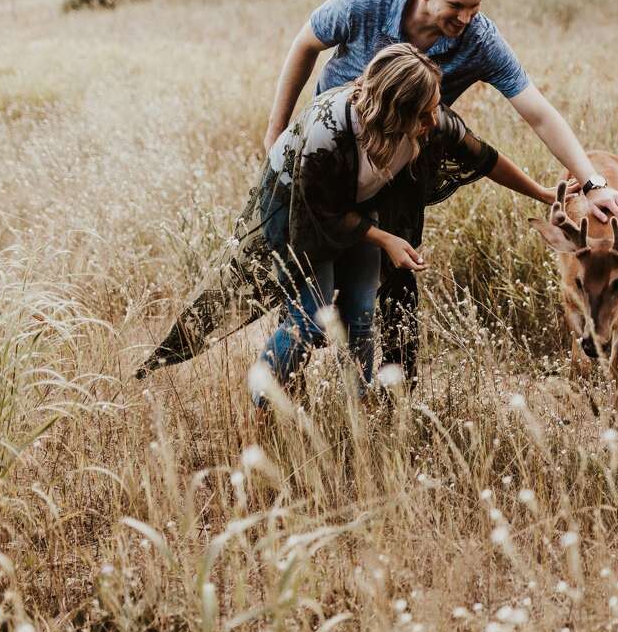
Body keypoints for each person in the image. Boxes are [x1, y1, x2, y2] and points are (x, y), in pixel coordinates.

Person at [262, 0, 618, 380]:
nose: (467, 18)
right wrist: (276, 131)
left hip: (398, 168)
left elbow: (531, 118)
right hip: (327, 167)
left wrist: (591, 184)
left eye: (476, 6)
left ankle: (389, 392)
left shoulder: (475, 46)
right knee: (312, 295)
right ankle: (280, 379)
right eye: (456, 5)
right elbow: (305, 45)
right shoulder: (365, 2)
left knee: (386, 285)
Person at [134, 42, 557, 401]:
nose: (434, 121)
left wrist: (543, 193)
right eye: (424, 114)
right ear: (393, 112)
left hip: (355, 210)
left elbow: (484, 157)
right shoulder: (329, 132)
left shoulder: (428, 121)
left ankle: (358, 408)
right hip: (297, 212)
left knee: (361, 313)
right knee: (310, 318)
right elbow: (320, 215)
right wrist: (385, 239)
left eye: (434, 108)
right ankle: (262, 404)